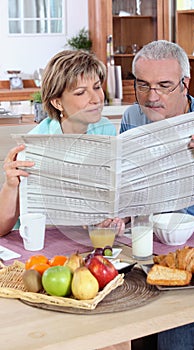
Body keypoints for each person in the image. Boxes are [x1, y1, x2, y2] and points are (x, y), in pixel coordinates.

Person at [120, 40, 194, 350]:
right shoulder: (133, 117)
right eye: (142, 85)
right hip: (161, 251)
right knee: (170, 336)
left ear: (186, 83)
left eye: (164, 86)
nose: (152, 97)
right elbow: (129, 183)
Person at [0, 50, 125, 237]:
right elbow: (2, 229)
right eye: (81, 92)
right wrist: (11, 184)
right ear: (57, 103)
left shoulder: (104, 130)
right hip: (39, 241)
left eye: (97, 87)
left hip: (84, 240)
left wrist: (112, 218)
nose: (96, 98)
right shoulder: (34, 145)